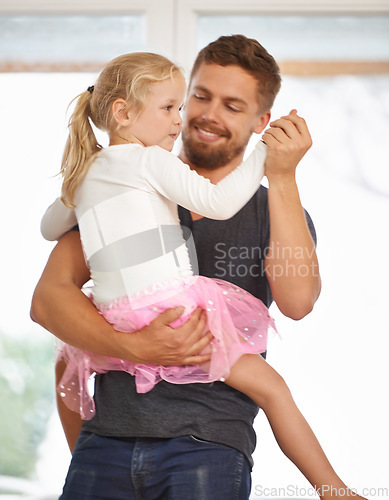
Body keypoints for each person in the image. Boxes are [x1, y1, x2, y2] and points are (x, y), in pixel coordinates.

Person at [31, 36, 363, 500]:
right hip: (104, 444)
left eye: (232, 105)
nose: (206, 113)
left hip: (207, 446)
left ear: (261, 122)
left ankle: (335, 490)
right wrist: (137, 348)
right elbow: (49, 304)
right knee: (72, 350)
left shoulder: (272, 211)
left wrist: (282, 176)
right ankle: (335, 491)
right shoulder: (129, 186)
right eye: (199, 97)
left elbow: (298, 302)